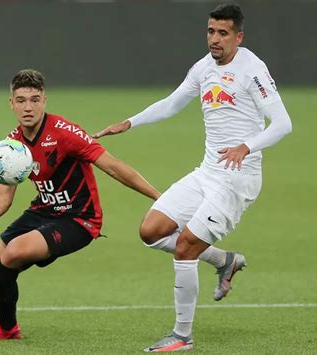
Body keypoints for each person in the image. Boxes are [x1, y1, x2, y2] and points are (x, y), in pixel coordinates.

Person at [93, 4, 292, 352]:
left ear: (239, 36)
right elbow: (172, 103)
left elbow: (283, 124)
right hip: (207, 173)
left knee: (185, 246)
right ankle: (224, 260)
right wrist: (129, 122)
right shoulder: (203, 68)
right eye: (211, 31)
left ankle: (182, 335)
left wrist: (246, 146)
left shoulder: (252, 69)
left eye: (223, 33)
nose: (214, 39)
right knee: (151, 231)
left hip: (236, 180)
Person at [0, 69, 161, 342]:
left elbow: (115, 168)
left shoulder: (65, 133)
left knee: (13, 253)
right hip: (43, 211)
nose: (28, 107)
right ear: (11, 103)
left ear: (45, 101)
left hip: (79, 218)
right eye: (22, 100)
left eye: (35, 100)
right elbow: (2, 198)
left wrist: (160, 197)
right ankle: (7, 330)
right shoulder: (12, 144)